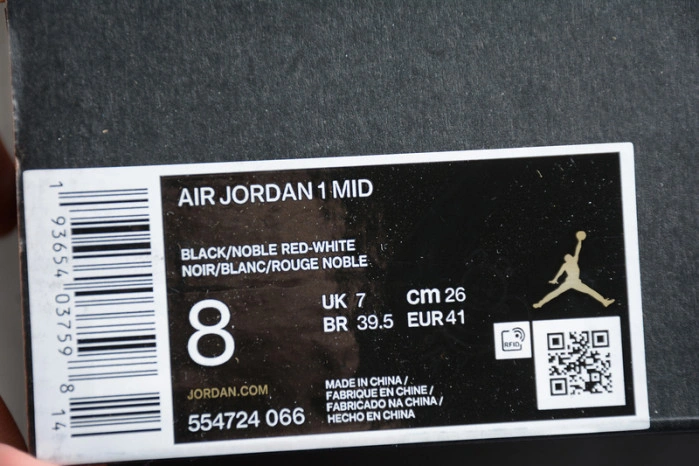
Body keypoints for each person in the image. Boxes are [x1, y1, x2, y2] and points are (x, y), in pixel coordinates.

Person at [533, 231, 615, 309]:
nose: (570, 257)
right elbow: (560, 272)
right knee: (555, 293)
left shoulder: (574, 261)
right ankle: (540, 304)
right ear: (567, 259)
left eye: (570, 256)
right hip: (569, 282)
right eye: (568, 257)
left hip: (576, 282)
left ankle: (604, 301)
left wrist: (579, 241)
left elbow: (577, 250)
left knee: (590, 291)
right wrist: (555, 279)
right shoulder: (566, 264)